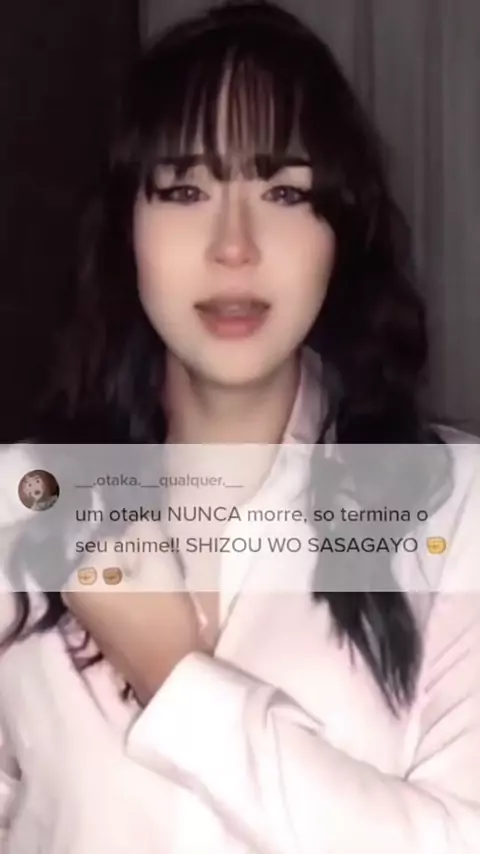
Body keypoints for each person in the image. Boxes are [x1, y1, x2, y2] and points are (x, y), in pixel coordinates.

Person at [0, 1, 480, 851]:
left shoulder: (457, 508)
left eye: (285, 191)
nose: (234, 246)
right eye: (185, 190)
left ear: (341, 233)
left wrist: (176, 678)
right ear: (127, 229)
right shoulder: (23, 500)